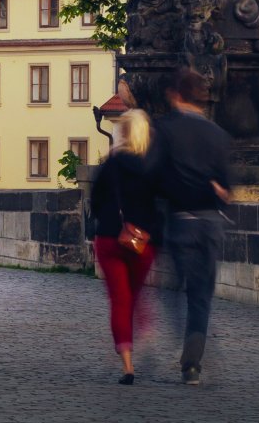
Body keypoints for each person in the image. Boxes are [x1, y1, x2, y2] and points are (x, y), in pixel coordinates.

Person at [155, 67, 234, 386]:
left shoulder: (163, 130)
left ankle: (187, 347)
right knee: (200, 296)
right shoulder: (217, 134)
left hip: (180, 222)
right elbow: (226, 189)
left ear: (175, 95)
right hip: (211, 224)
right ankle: (192, 362)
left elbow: (154, 177)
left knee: (174, 291)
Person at [88, 108, 160, 384]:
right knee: (135, 295)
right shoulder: (150, 167)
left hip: (109, 238)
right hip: (142, 242)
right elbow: (157, 207)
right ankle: (146, 331)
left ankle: (128, 364)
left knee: (120, 299)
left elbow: (94, 203)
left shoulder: (111, 164)